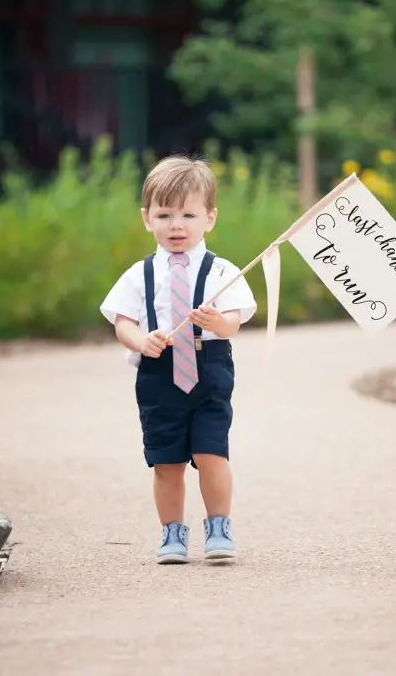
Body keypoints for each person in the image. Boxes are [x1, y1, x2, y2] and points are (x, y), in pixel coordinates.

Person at [100, 155, 257, 564]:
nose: (176, 225)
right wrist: (140, 341)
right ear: (146, 218)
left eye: (188, 214)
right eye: (164, 214)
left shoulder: (222, 271)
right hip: (159, 371)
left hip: (209, 368)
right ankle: (172, 533)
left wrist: (217, 320)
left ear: (210, 218)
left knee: (211, 452)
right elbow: (123, 321)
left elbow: (234, 324)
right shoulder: (140, 274)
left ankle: (219, 526)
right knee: (166, 461)